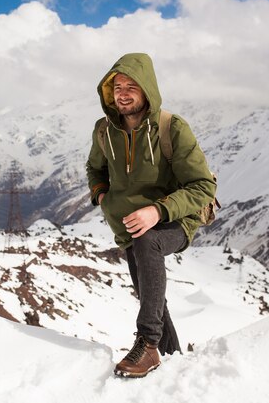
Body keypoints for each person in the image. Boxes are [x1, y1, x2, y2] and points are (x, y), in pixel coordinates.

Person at [86, 53, 217, 378]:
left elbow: (202, 187)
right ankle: (171, 357)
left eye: (132, 86)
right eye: (117, 86)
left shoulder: (171, 128)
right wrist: (102, 194)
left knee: (148, 243)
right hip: (129, 224)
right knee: (149, 293)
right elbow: (95, 168)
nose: (123, 93)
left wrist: (158, 210)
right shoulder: (104, 131)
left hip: (175, 219)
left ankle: (147, 343)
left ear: (147, 90)